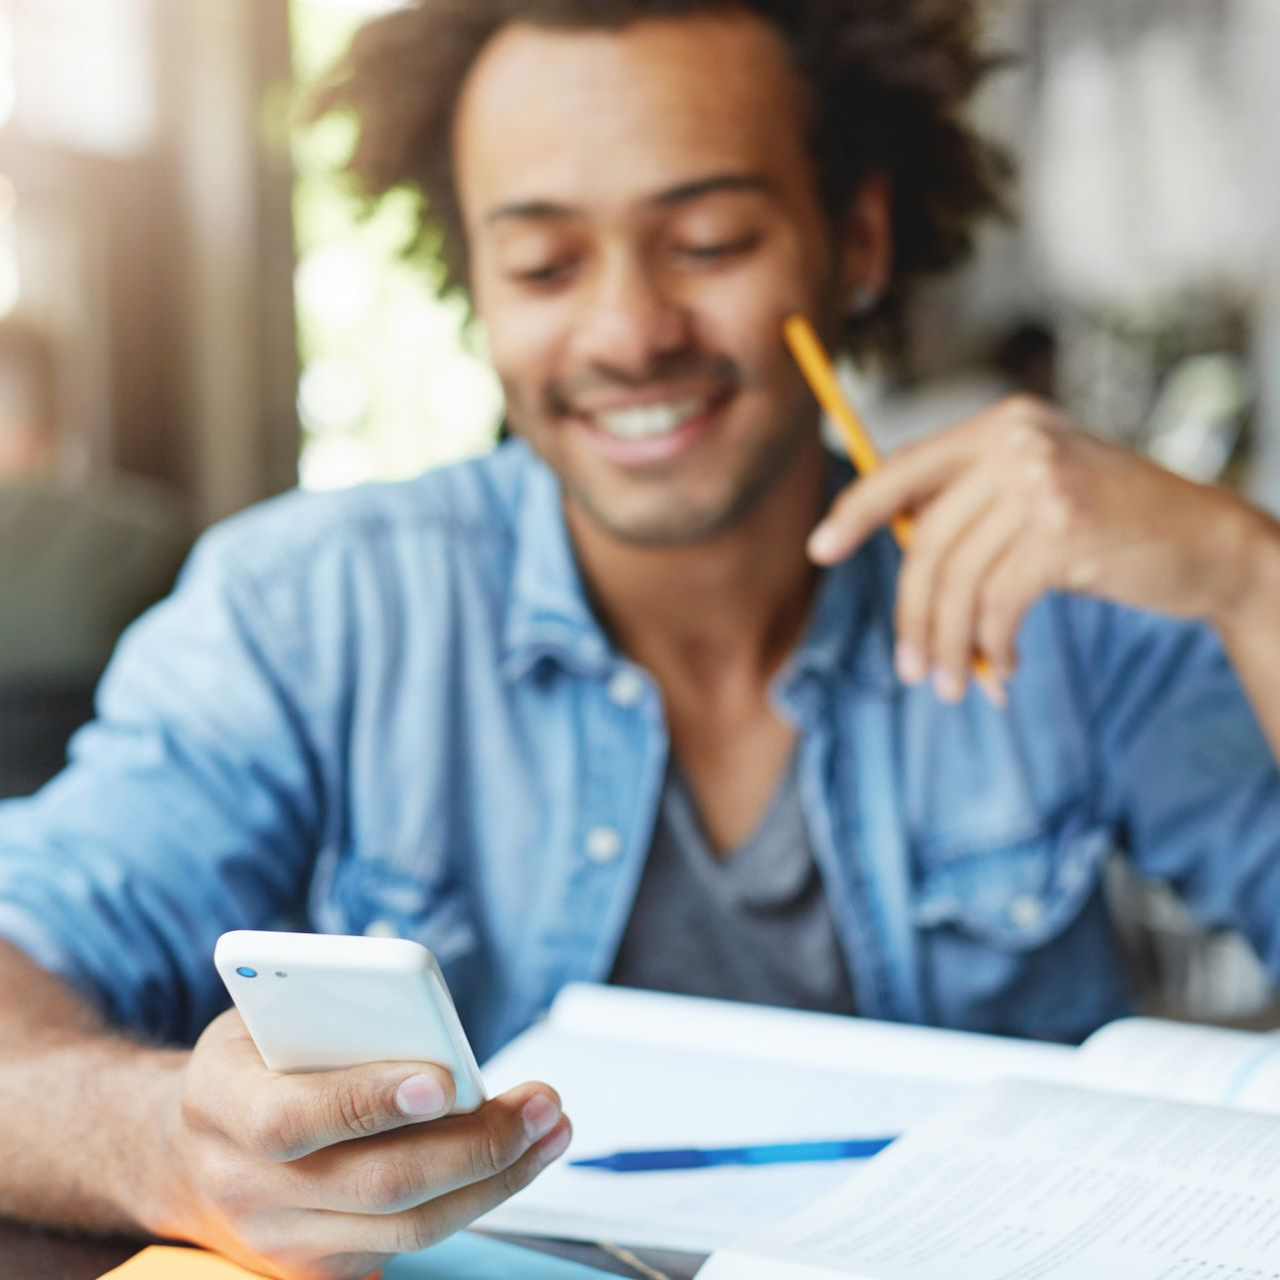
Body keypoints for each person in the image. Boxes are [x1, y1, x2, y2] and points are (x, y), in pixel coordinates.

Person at [1, 2, 1279, 1276]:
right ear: (478, 286)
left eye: (710, 241)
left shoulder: (1058, 602)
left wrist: (1247, 572)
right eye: (546, 267)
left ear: (860, 239)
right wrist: (164, 1139)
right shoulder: (307, 612)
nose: (627, 334)